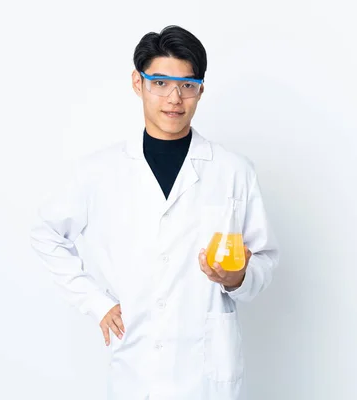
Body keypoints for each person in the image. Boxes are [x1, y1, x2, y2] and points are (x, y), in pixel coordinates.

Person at [30, 25, 279, 400]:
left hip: (206, 375)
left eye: (187, 85)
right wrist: (96, 302)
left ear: (200, 91)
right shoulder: (99, 172)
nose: (174, 98)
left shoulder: (233, 171)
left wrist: (238, 276)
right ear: (138, 83)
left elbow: (264, 261)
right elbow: (45, 233)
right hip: (137, 367)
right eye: (160, 82)